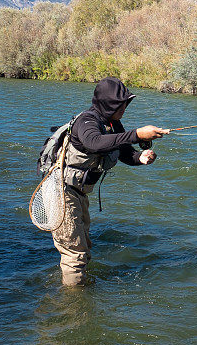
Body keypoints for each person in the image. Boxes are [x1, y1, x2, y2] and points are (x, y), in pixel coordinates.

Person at [53, 76, 169, 286]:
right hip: (63, 193)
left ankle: (79, 290)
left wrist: (140, 158)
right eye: (120, 104)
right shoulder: (86, 122)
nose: (124, 107)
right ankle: (74, 308)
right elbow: (95, 143)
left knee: (83, 247)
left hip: (79, 193)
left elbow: (124, 151)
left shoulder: (113, 123)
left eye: (125, 103)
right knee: (75, 255)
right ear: (108, 104)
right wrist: (137, 134)